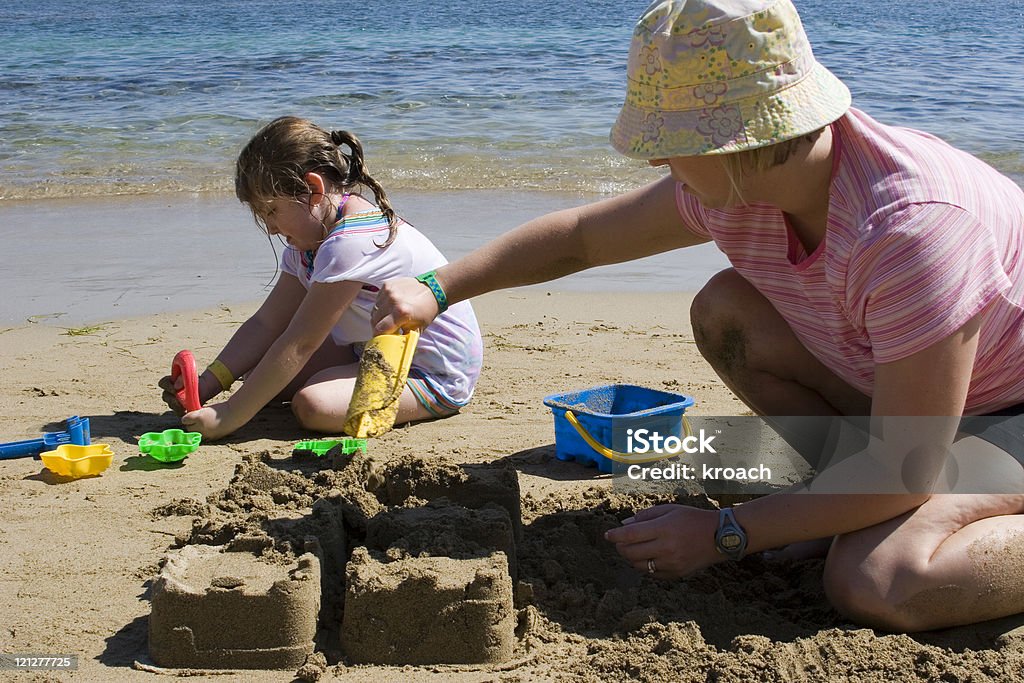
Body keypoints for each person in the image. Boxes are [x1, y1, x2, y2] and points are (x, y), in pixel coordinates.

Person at [370, 0, 1024, 632]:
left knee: (877, 577)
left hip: (1007, 418)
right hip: (928, 405)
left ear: (737, 141)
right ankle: (839, 502)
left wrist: (725, 532)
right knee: (727, 311)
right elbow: (580, 238)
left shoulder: (910, 232)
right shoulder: (741, 184)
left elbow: (904, 466)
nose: (656, 160)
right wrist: (438, 287)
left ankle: (864, 517)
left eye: (668, 143)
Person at [160, 116, 483, 440]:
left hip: (433, 372)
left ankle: (421, 398)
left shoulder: (351, 242)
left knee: (312, 404)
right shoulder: (311, 239)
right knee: (258, 374)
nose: (271, 228)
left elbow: (301, 342)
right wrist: (208, 384)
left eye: (271, 211)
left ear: (313, 190)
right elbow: (267, 323)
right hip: (371, 349)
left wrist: (230, 415)